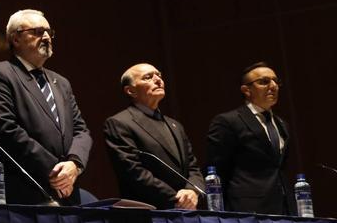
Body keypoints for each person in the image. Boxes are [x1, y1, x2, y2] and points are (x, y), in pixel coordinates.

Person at [0, 9, 91, 204]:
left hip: (66, 188)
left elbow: (81, 130)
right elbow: (5, 130)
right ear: (16, 39)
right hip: (23, 193)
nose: (47, 37)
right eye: (38, 32)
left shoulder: (61, 82)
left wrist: (74, 164)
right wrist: (56, 170)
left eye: (49, 32)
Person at [103, 63, 201, 209]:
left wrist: (192, 191)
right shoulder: (119, 123)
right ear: (131, 91)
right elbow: (134, 172)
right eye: (148, 77)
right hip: (149, 213)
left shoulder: (175, 125)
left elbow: (193, 168)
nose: (158, 80)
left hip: (186, 209)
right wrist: (178, 198)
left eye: (159, 75)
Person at [206, 62, 291, 214]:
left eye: (276, 81)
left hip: (283, 208)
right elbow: (217, 170)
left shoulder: (282, 124)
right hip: (246, 211)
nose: (273, 86)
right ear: (246, 90)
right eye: (264, 82)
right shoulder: (228, 121)